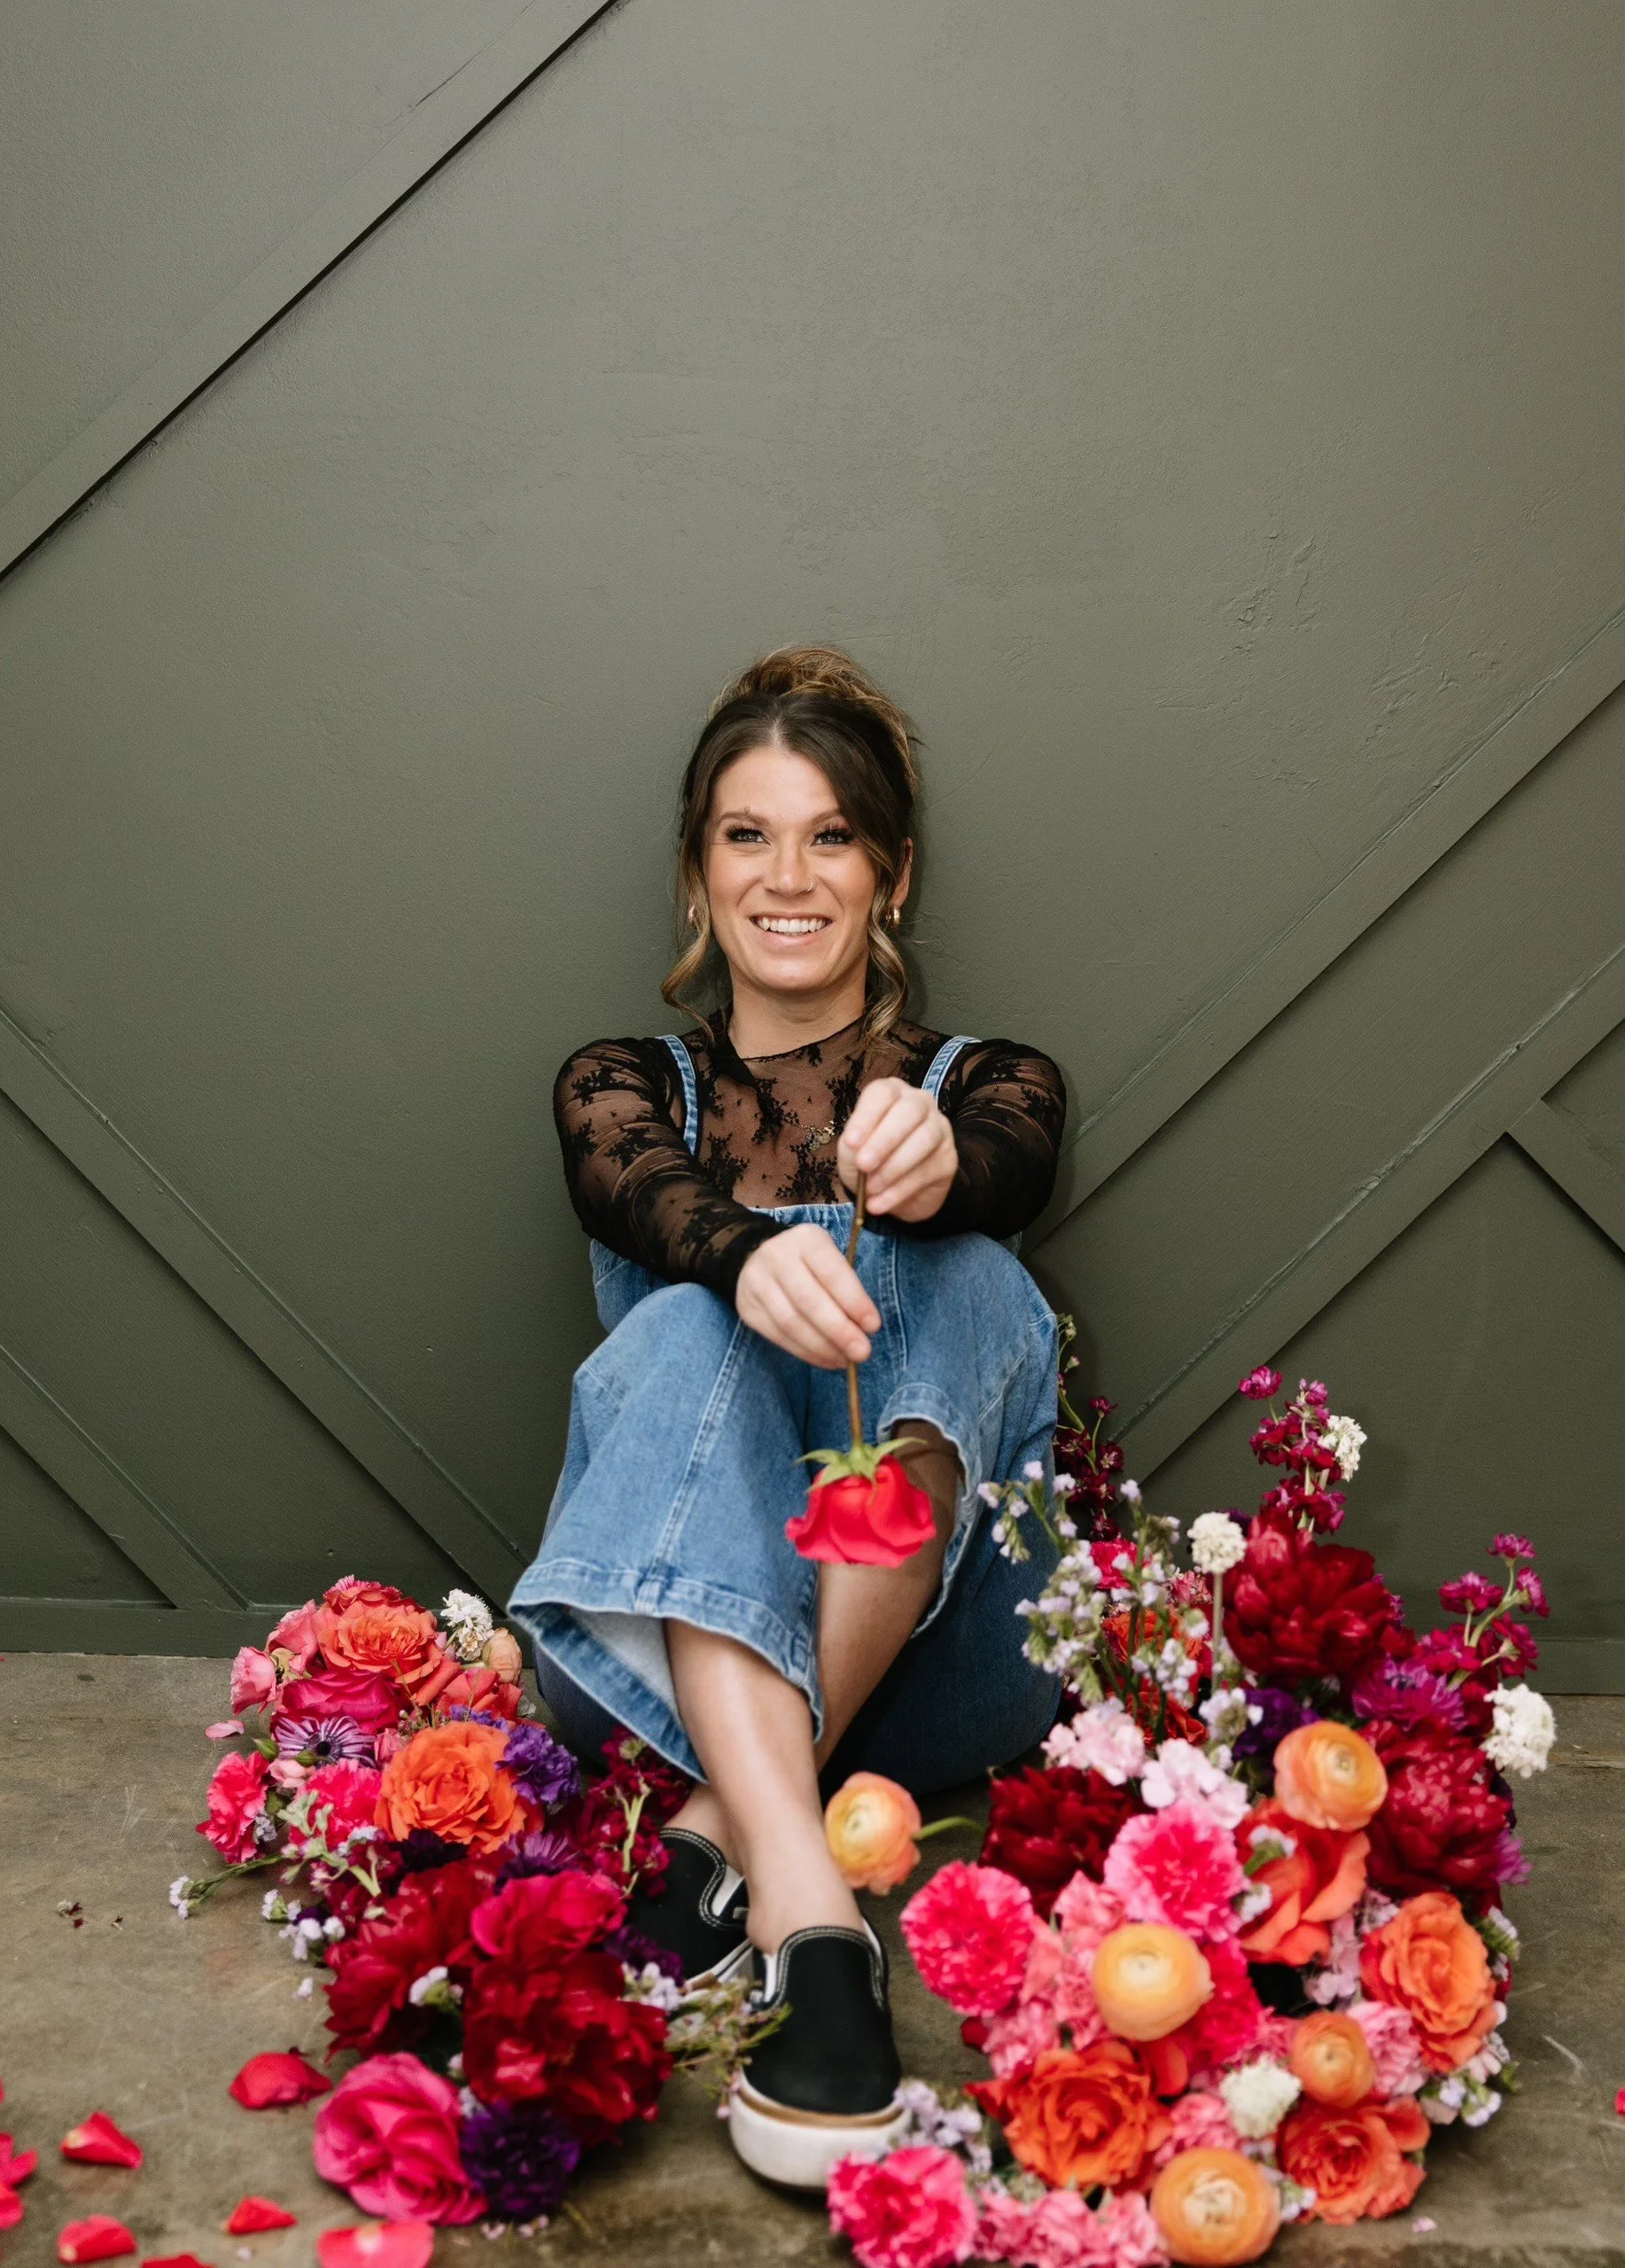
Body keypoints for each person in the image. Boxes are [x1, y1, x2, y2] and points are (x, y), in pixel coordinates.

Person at [508, 645, 1068, 2186]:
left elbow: (1012, 1166)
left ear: (889, 876)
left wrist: (939, 1168)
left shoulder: (990, 1079)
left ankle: (721, 1826)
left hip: (948, 1677)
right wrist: (750, 1255)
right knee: (699, 1302)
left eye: (828, 834)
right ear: (698, 875)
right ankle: (810, 1920)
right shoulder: (621, 1085)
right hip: (652, 1654)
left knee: (967, 1281)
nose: (787, 874)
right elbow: (643, 1194)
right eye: (747, 834)